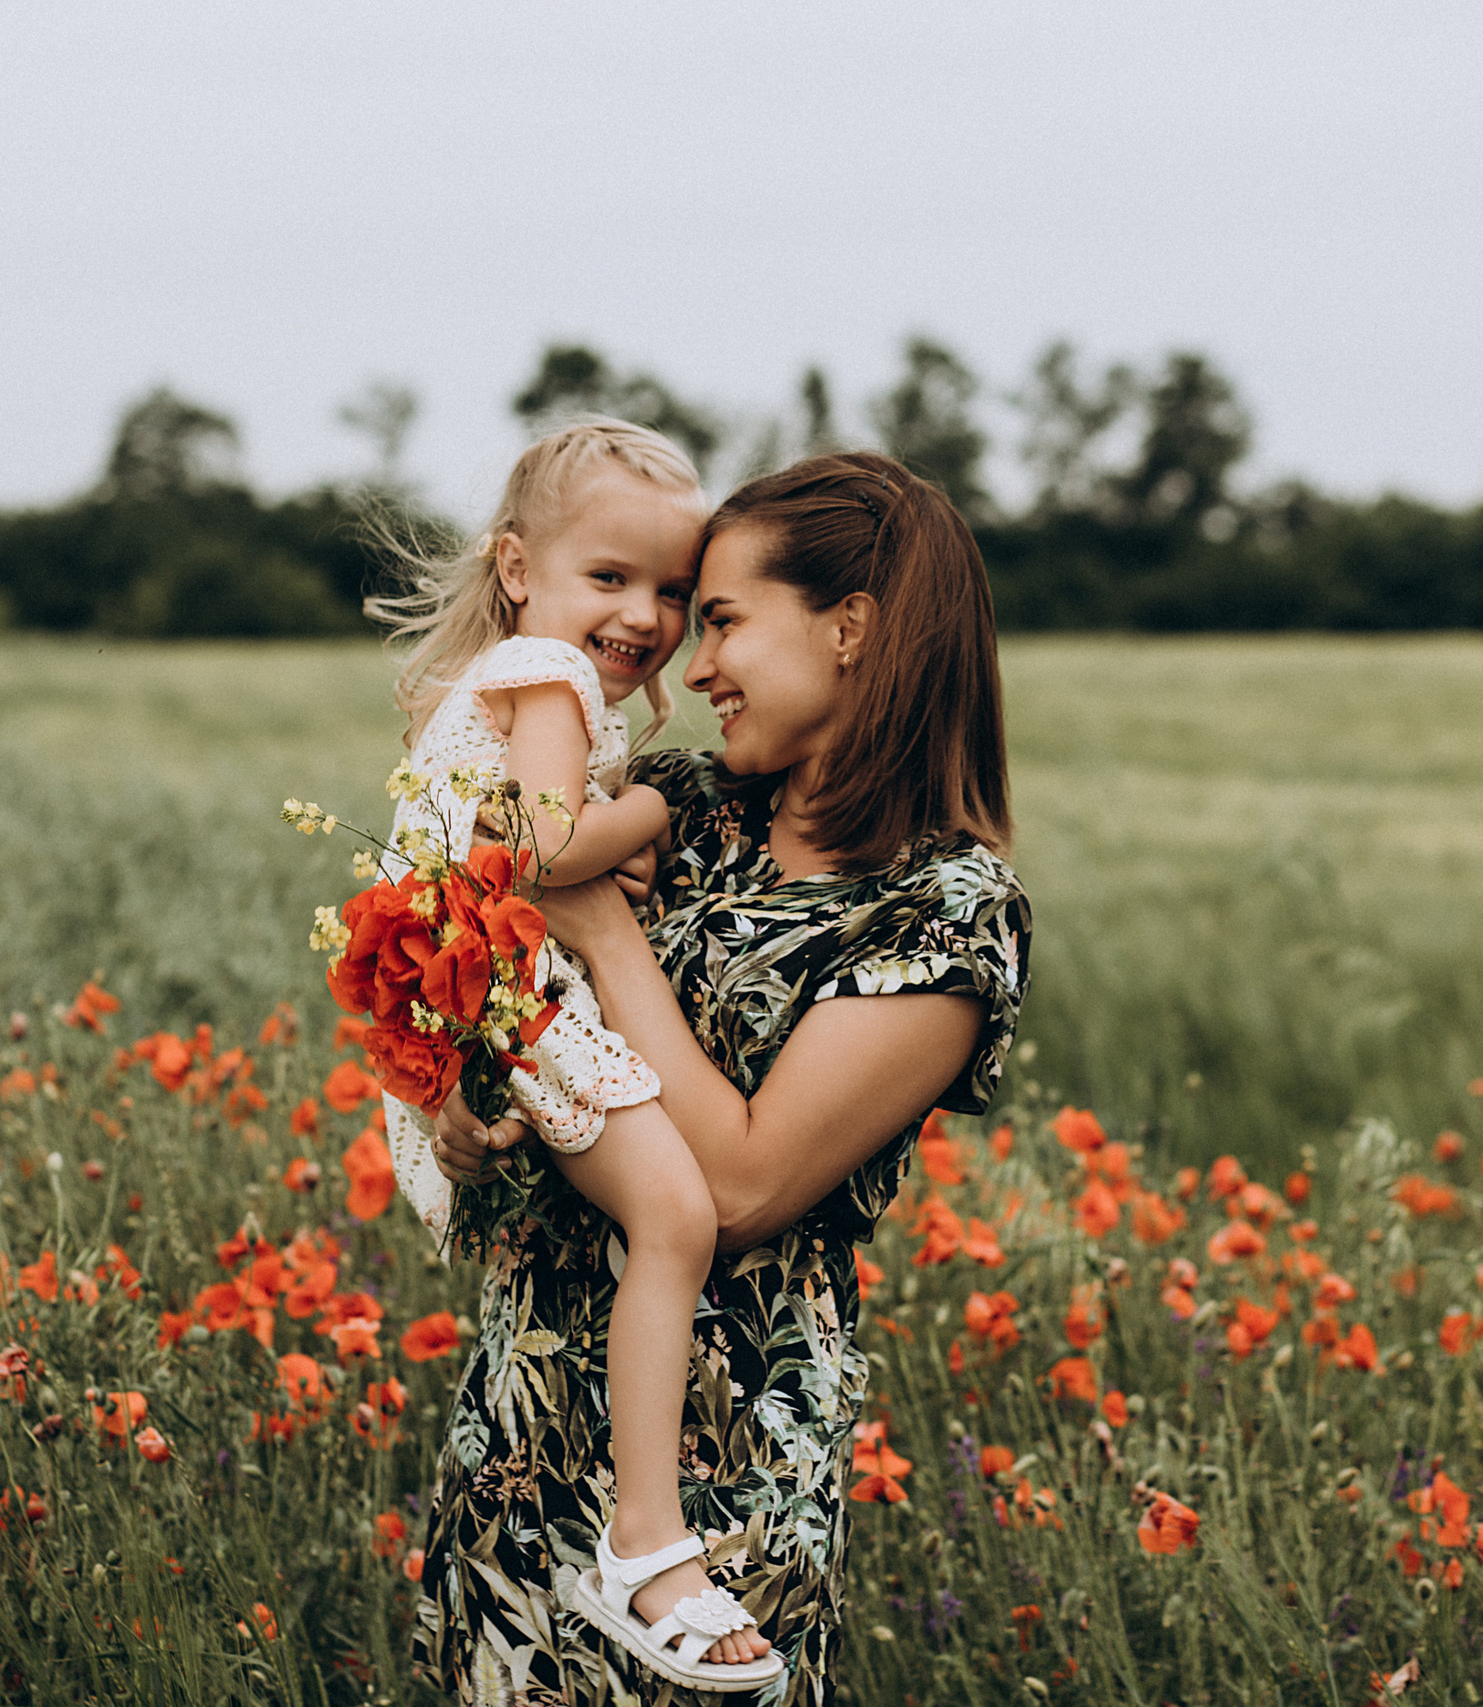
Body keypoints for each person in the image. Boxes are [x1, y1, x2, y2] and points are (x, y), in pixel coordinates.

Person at [412, 450, 1032, 1705]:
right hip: (523, 1427)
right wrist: (469, 1112)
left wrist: (604, 932)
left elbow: (743, 1186)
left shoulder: (942, 913)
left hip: (719, 1483)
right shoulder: (685, 804)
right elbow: (527, 994)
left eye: (723, 620)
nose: (691, 667)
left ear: (850, 629)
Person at [368, 417, 782, 1688]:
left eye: (672, 589)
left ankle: (630, 1526)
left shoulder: (530, 681)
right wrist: (653, 806)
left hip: (498, 999)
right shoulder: (544, 672)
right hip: (519, 1004)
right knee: (677, 1218)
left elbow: (532, 854)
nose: (645, 616)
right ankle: (645, 1540)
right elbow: (549, 851)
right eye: (610, 576)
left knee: (657, 1221)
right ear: (516, 567)